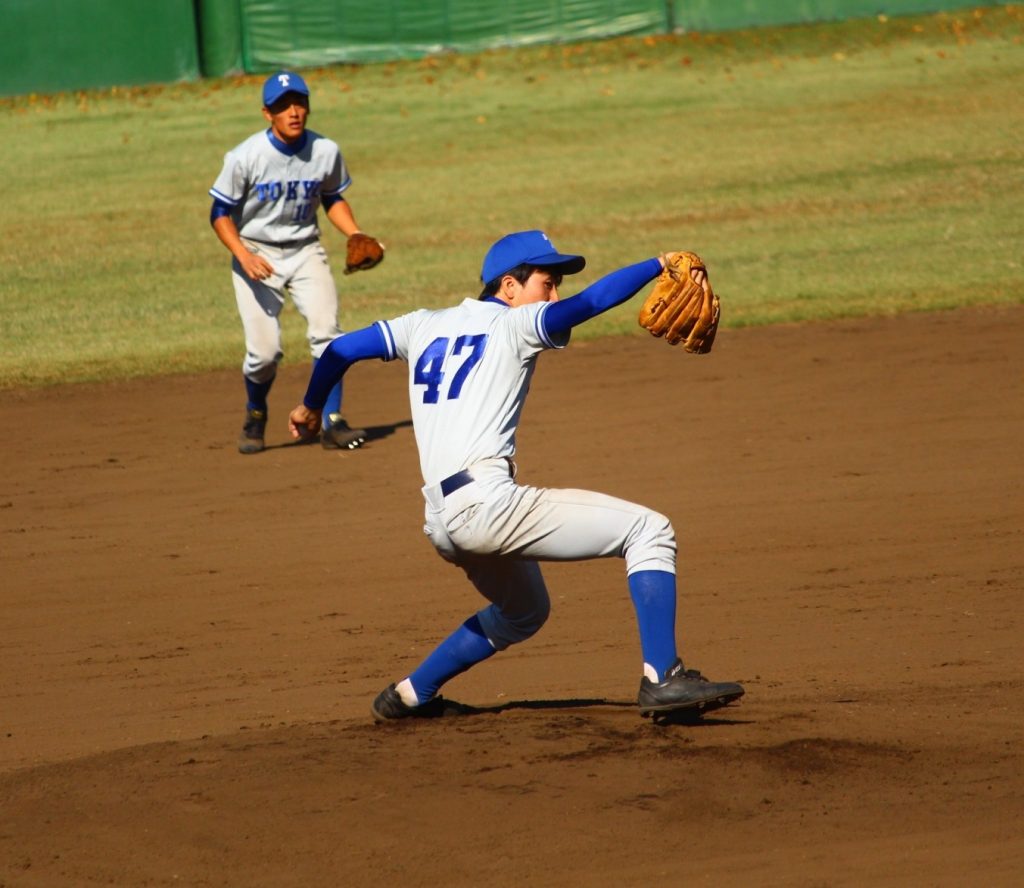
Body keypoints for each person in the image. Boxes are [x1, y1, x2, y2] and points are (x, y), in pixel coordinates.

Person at [288, 230, 744, 721]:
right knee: (649, 529)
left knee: (525, 612)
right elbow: (590, 303)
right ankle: (664, 678)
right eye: (548, 283)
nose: (554, 295)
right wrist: (657, 263)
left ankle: (409, 695)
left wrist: (311, 408)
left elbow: (337, 352)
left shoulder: (420, 326)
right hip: (486, 505)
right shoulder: (515, 326)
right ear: (508, 286)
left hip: (441, 521)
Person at [209, 70, 380, 454]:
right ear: (267, 113)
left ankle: (332, 421)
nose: (293, 111)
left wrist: (353, 232)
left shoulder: (324, 151)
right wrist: (243, 255)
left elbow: (332, 198)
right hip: (256, 251)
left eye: (299, 103)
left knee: (329, 336)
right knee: (264, 353)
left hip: (305, 250)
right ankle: (255, 412)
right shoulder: (245, 156)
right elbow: (219, 213)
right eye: (283, 106)